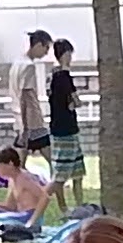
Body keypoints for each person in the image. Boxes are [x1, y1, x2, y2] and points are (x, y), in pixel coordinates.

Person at [44, 42, 85, 211]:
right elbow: (77, 101)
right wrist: (73, 104)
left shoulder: (51, 76)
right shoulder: (64, 76)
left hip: (59, 127)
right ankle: (63, 206)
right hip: (66, 129)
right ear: (64, 54)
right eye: (69, 54)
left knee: (71, 171)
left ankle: (70, 207)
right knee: (63, 174)